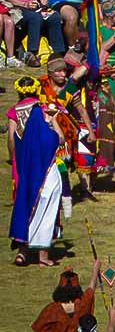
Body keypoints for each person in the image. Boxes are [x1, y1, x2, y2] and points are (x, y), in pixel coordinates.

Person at [8, 98, 64, 267]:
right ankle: (43, 256)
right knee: (46, 214)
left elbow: (12, 141)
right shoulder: (47, 134)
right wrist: (53, 120)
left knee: (25, 209)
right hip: (46, 177)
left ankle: (22, 253)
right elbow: (60, 139)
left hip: (26, 176)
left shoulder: (22, 136)